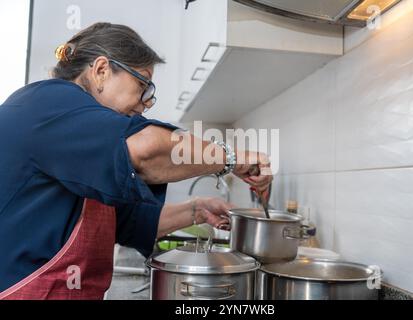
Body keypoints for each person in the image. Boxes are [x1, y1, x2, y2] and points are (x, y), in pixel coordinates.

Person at [0, 22, 272, 300]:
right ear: (101, 70)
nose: (144, 103)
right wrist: (232, 158)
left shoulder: (82, 138)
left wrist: (198, 210)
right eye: (141, 85)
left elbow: (129, 223)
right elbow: (146, 150)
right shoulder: (47, 103)